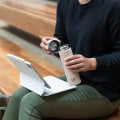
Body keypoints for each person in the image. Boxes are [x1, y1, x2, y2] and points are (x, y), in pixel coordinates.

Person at [2, 0, 120, 120]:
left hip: (104, 91)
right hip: (74, 78)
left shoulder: (114, 6)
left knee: (31, 102)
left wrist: (93, 63)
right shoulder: (65, 3)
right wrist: (52, 46)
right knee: (18, 95)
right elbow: (62, 42)